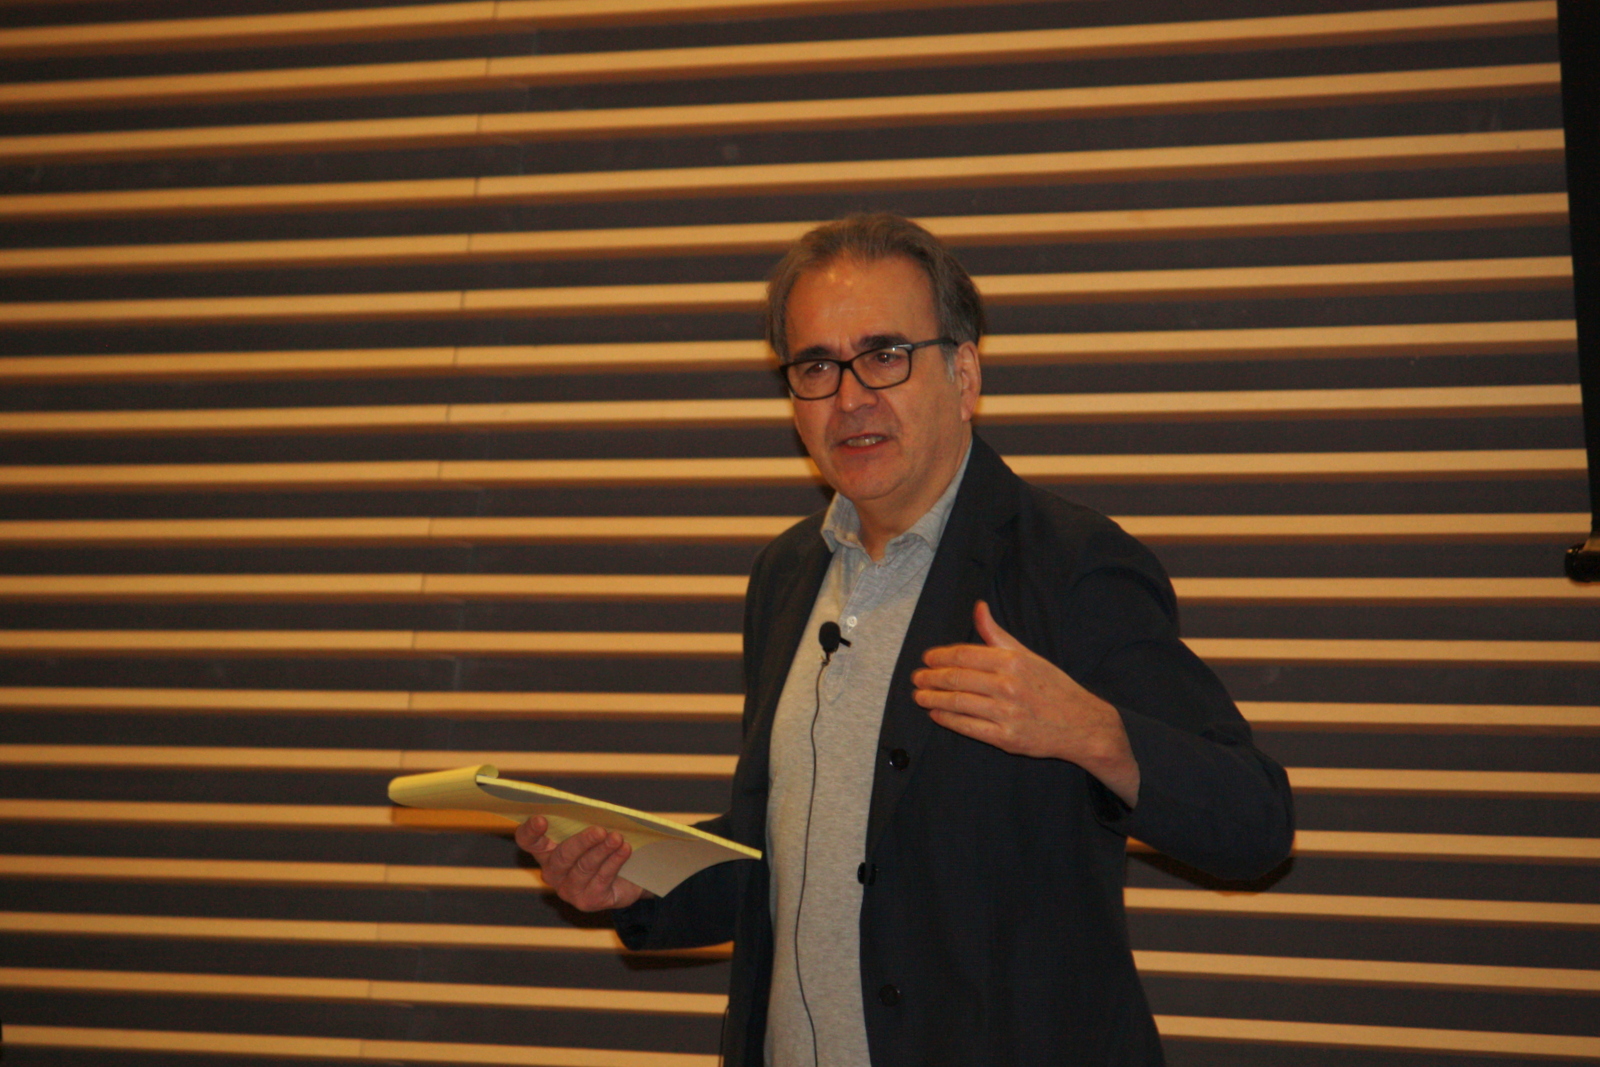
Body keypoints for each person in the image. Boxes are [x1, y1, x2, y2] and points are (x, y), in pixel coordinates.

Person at [516, 213, 1295, 1066]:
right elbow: (800, 859)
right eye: (816, 366)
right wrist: (641, 879)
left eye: (885, 354)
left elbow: (1256, 821)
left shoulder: (1067, 565)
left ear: (964, 374)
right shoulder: (786, 576)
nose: (850, 397)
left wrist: (1096, 732)